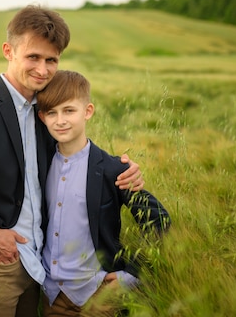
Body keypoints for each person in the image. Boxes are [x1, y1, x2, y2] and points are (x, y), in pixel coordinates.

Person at [0, 5, 145, 317]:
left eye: (52, 60)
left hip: (41, 270)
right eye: (33, 57)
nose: (43, 70)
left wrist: (122, 168)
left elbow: (73, 152)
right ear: (9, 51)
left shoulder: (45, 111)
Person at [36, 70, 170, 316]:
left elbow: (158, 219)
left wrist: (132, 273)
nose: (60, 120)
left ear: (87, 111)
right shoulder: (39, 165)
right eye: (52, 113)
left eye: (69, 110)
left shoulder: (112, 169)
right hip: (52, 294)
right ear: (42, 117)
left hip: (98, 293)